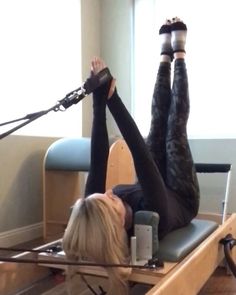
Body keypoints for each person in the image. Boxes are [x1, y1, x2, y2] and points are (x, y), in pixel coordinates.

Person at [62, 18, 200, 295]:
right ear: (117, 223)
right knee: (173, 130)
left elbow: (98, 156)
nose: (111, 191)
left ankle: (164, 57)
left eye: (106, 194)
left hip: (155, 183)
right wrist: (114, 98)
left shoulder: (95, 207)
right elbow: (140, 154)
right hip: (181, 195)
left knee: (156, 124)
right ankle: (180, 54)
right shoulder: (149, 218)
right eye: (111, 200)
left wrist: (99, 100)